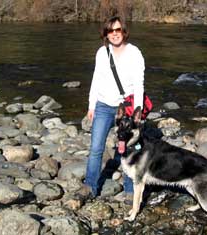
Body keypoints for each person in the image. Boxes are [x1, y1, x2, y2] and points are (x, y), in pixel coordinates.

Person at [79, 16, 145, 201]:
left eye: (118, 30)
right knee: (96, 149)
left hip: (125, 109)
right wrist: (91, 105)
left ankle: (130, 190)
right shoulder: (102, 52)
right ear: (106, 34)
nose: (114, 34)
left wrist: (137, 111)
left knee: (129, 149)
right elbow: (96, 79)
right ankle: (90, 186)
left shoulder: (134, 53)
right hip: (102, 106)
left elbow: (139, 84)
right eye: (110, 31)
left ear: (124, 32)